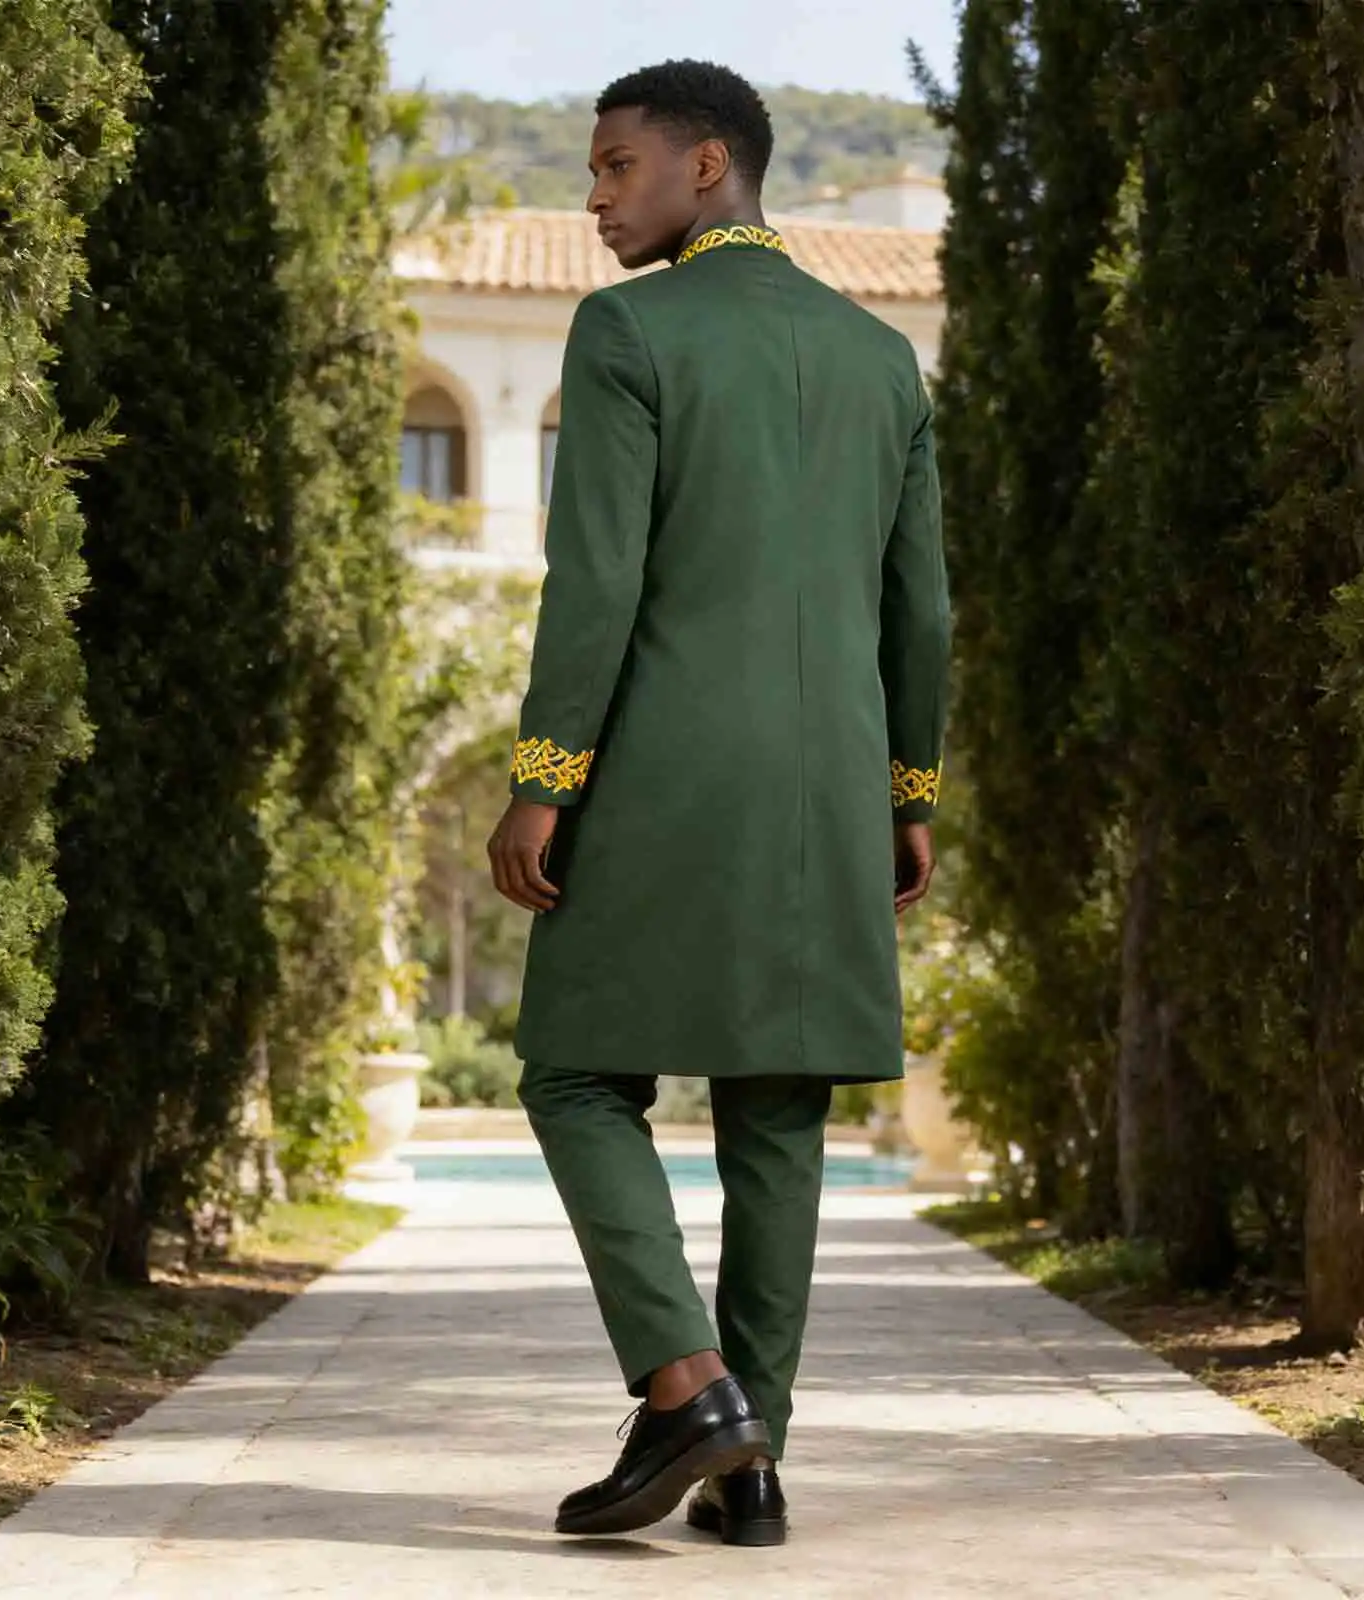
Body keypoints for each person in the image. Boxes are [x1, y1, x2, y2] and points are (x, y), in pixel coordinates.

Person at [487, 58, 950, 1548]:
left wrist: (544, 778)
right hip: (833, 789)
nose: (593, 196)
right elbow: (922, 612)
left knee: (574, 1072)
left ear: (706, 167)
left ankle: (690, 1390)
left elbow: (597, 580)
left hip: (664, 770)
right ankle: (752, 1477)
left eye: (613, 164)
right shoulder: (883, 360)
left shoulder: (629, 329)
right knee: (777, 1113)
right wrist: (910, 793)